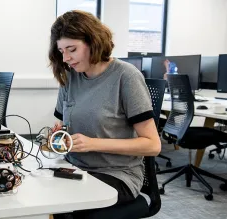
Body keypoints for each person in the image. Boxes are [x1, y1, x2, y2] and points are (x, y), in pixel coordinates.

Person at [49, 10, 161, 218]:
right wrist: (59, 136)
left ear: (93, 42)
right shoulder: (71, 78)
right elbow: (63, 124)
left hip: (117, 174)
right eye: (61, 51)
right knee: (39, 194)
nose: (66, 58)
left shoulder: (126, 77)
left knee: (62, 207)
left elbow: (152, 145)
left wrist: (93, 143)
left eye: (71, 49)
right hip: (75, 167)